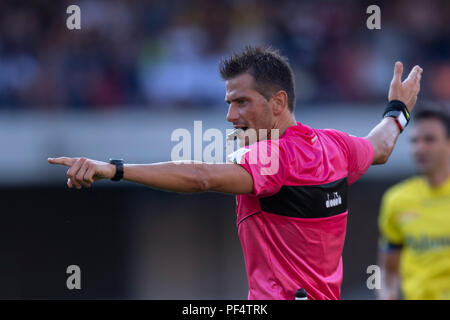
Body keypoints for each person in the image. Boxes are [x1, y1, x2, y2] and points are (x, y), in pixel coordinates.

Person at [48, 46, 423, 300]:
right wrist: (397, 110)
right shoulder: (336, 146)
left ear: (278, 102)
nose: (231, 116)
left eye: (241, 102)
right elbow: (383, 145)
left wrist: (114, 169)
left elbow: (201, 177)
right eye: (229, 103)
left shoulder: (272, 158)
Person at [377, 105, 450, 300]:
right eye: (414, 141)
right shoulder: (397, 199)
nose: (420, 148)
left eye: (430, 140)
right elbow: (387, 272)